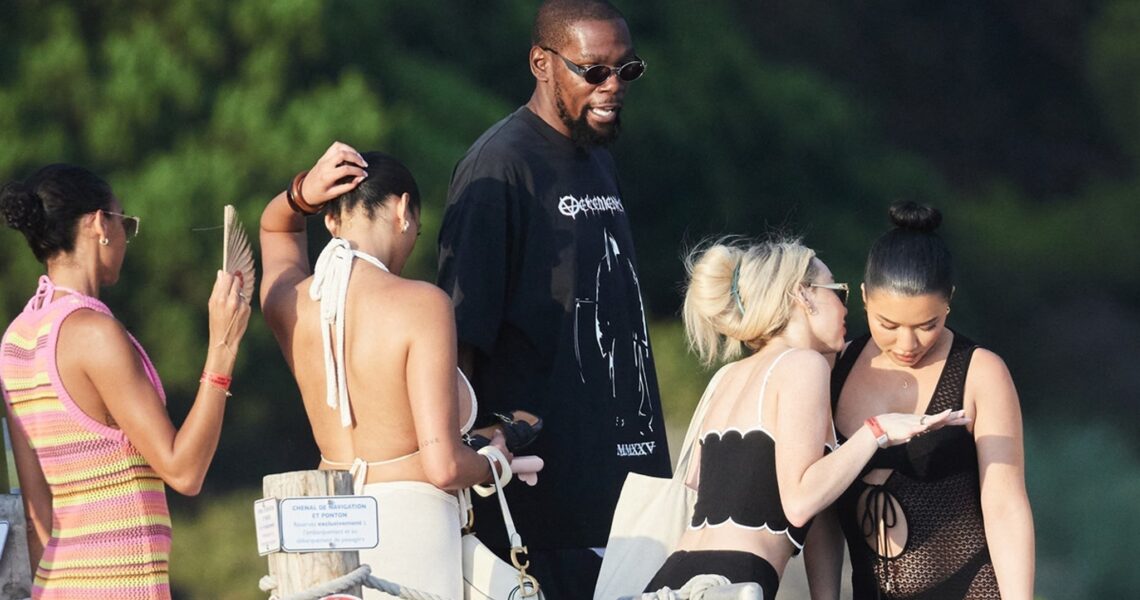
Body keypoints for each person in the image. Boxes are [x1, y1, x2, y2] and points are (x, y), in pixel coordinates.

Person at [436, 1, 668, 595]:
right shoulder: (501, 166)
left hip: (631, 492)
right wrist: (478, 443)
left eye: (626, 70)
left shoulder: (599, 159)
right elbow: (458, 336)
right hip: (545, 509)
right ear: (542, 62)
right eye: (594, 71)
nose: (612, 87)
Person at [642, 238, 966, 597]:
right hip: (730, 582)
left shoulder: (728, 376)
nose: (845, 308)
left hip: (671, 578)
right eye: (836, 291)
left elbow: (697, 489)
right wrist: (877, 430)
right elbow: (800, 502)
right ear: (804, 294)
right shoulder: (803, 364)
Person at [259, 142, 512, 600]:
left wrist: (301, 195)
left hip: (321, 529)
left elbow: (275, 230)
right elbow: (443, 465)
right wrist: (497, 459)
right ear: (402, 211)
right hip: (409, 530)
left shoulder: (290, 302)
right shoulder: (422, 305)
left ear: (331, 219)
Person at [0, 164, 250, 599]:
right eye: (125, 224)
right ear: (99, 224)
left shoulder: (16, 340)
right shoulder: (94, 334)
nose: (125, 240)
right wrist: (222, 347)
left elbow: (37, 509)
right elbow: (184, 470)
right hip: (121, 585)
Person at [820, 201, 1035, 599]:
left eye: (927, 325)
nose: (907, 343)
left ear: (949, 300)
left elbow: (1005, 502)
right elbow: (820, 513)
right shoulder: (833, 369)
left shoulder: (980, 372)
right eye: (888, 324)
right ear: (864, 297)